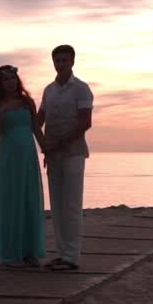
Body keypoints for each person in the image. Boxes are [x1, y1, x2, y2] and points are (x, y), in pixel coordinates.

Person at [36, 45, 93, 271]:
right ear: (53, 62)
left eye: (64, 60)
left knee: (71, 205)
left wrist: (59, 143)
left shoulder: (81, 89)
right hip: (54, 155)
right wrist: (44, 145)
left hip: (73, 153)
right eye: (57, 60)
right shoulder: (48, 90)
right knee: (57, 206)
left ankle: (72, 256)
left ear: (72, 62)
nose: (61, 64)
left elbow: (85, 122)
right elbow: (39, 118)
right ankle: (62, 253)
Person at [0, 64, 47, 268]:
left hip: (28, 156)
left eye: (13, 78)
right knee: (11, 200)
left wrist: (48, 151)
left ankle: (29, 251)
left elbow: (36, 130)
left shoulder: (27, 102)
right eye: (6, 79)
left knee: (28, 199)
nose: (10, 82)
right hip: (8, 156)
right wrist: (2, 111)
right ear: (0, 83)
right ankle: (11, 253)